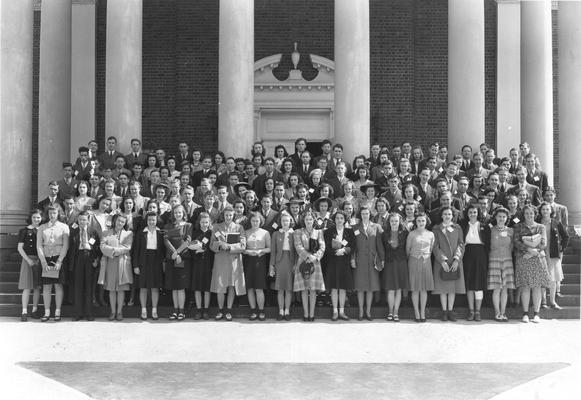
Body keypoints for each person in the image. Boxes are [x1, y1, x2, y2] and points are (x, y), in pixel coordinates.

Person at [513, 204, 551, 323]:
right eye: (527, 213)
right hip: (524, 258)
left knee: (537, 287)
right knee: (525, 286)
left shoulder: (541, 227)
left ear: (535, 214)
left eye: (531, 213)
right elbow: (516, 242)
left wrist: (534, 252)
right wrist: (528, 250)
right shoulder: (518, 226)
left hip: (538, 259)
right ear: (523, 215)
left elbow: (544, 242)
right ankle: (525, 313)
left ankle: (536, 313)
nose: (529, 215)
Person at [210, 206, 247, 321]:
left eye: (230, 215)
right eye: (226, 215)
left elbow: (243, 245)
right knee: (220, 285)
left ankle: (229, 310)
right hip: (221, 259)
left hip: (233, 260)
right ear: (223, 215)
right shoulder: (216, 227)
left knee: (231, 285)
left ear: (233, 215)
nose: (228, 217)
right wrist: (220, 245)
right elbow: (211, 244)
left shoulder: (239, 227)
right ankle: (220, 310)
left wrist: (229, 247)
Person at [36, 206, 70, 322]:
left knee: (58, 285)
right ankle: (47, 312)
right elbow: (39, 245)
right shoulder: (42, 228)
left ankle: (57, 312)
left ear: (58, 213)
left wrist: (60, 261)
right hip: (46, 259)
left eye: (54, 213)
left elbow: (65, 245)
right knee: (46, 286)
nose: (52, 215)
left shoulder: (64, 227)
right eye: (50, 213)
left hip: (58, 258)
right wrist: (43, 261)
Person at [432, 207, 465, 322]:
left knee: (452, 288)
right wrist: (442, 260)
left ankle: (450, 311)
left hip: (454, 261)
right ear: (441, 215)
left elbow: (461, 244)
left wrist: (457, 259)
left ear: (452, 216)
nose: (447, 216)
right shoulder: (436, 229)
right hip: (441, 262)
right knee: (443, 288)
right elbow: (435, 246)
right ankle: (444, 311)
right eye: (445, 214)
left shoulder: (457, 228)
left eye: (449, 214)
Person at [459, 203, 490, 321]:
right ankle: (471, 311)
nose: (473, 214)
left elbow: (488, 242)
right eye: (470, 212)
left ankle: (478, 311)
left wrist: (483, 244)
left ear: (478, 213)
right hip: (467, 254)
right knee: (469, 284)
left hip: (480, 255)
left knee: (479, 284)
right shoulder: (463, 225)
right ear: (467, 214)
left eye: (475, 212)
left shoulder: (484, 226)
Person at [293, 211, 326, 321]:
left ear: (314, 221)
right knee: (304, 289)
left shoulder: (319, 232)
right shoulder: (298, 232)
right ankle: (305, 314)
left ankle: (312, 314)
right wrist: (307, 256)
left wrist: (315, 257)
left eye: (310, 219)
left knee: (312, 290)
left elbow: (322, 247)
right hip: (302, 262)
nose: (308, 221)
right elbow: (298, 246)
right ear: (304, 221)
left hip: (315, 262)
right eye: (306, 219)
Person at [133, 212, 166, 320]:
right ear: (146, 221)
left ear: (157, 221)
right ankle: (143, 310)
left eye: (153, 220)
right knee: (143, 287)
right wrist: (136, 265)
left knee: (155, 287)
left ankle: (154, 310)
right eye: (149, 220)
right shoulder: (141, 233)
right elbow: (136, 250)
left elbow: (164, 250)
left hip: (156, 261)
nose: (151, 222)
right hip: (143, 261)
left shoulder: (160, 233)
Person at [99, 214, 133, 321]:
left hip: (123, 262)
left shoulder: (129, 233)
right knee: (111, 289)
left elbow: (127, 247)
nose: (120, 223)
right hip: (110, 262)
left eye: (123, 222)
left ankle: (119, 312)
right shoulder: (106, 233)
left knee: (121, 289)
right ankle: (113, 312)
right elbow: (102, 247)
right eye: (118, 221)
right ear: (114, 221)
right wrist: (114, 251)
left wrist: (113, 250)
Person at [324, 211, 356, 321]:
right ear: (334, 219)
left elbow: (353, 246)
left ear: (345, 219)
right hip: (333, 262)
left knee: (342, 287)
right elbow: (326, 246)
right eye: (337, 218)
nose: (339, 220)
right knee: (334, 287)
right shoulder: (329, 231)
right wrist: (334, 252)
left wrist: (345, 250)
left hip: (344, 262)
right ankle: (335, 312)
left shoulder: (350, 231)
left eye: (341, 218)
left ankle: (342, 312)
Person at [351, 207, 382, 321]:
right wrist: (352, 259)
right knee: (360, 287)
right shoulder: (355, 228)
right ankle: (360, 311)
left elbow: (379, 245)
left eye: (367, 213)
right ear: (360, 215)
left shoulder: (376, 227)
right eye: (363, 213)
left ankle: (368, 312)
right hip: (359, 261)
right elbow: (352, 245)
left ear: (370, 214)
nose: (365, 215)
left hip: (372, 261)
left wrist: (381, 259)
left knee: (370, 287)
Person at [163, 205, 193, 321]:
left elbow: (188, 240)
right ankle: (175, 310)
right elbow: (166, 240)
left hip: (182, 258)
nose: (178, 215)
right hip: (172, 258)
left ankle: (181, 311)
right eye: (175, 213)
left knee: (180, 286)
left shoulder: (188, 225)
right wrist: (174, 253)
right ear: (173, 214)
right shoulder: (168, 226)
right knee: (173, 286)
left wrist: (178, 253)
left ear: (183, 213)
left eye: (180, 212)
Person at [538, 202, 569, 310]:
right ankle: (543, 301)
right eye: (543, 209)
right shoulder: (537, 222)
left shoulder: (556, 222)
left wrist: (562, 248)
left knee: (553, 278)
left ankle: (552, 301)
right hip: (540, 253)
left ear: (551, 211)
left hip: (553, 254)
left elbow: (566, 236)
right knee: (541, 277)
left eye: (547, 209)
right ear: (540, 211)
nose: (545, 211)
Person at [378, 212, 409, 322]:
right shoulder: (384, 233)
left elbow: (407, 248)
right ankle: (390, 312)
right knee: (390, 289)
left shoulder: (405, 232)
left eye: (396, 221)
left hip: (401, 262)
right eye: (392, 221)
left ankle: (396, 312)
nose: (394, 223)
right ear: (389, 222)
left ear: (399, 221)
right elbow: (381, 248)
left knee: (399, 289)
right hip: (389, 263)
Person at [487, 207, 515, 322]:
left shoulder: (510, 231)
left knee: (505, 289)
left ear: (507, 218)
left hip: (507, 261)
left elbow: (512, 246)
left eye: (504, 217)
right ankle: (497, 313)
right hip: (494, 260)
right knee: (497, 289)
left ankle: (503, 313)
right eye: (499, 216)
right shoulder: (491, 230)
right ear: (495, 217)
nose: (501, 219)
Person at [406, 212, 434, 322]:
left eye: (423, 220)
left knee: (424, 289)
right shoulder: (411, 234)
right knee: (415, 289)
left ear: (426, 221)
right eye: (419, 221)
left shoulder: (431, 234)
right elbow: (407, 250)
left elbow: (431, 249)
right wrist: (413, 257)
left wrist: (425, 256)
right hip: (413, 261)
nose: (421, 223)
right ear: (415, 222)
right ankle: (416, 312)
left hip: (426, 262)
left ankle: (423, 312)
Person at [243, 212, 271, 321]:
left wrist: (260, 250)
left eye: (257, 221)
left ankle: (261, 310)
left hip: (260, 261)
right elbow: (242, 248)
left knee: (259, 287)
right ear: (250, 221)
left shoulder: (265, 233)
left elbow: (270, 248)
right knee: (250, 288)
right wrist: (248, 252)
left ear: (260, 221)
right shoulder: (245, 232)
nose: (255, 223)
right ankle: (253, 311)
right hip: (249, 261)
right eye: (253, 221)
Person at [269, 212, 297, 321]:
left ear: (290, 222)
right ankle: (281, 311)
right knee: (280, 288)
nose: (285, 222)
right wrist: (272, 265)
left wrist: (295, 264)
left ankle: (287, 311)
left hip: (290, 261)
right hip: (279, 262)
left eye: (287, 220)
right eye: (283, 221)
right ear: (280, 222)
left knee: (289, 289)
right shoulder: (276, 234)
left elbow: (296, 251)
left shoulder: (294, 233)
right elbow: (273, 251)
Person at [17, 209, 43, 321]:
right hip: (28, 260)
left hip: (40, 260)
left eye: (38, 217)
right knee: (27, 287)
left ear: (41, 218)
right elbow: (19, 248)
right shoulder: (24, 231)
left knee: (37, 287)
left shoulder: (43, 230)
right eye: (34, 217)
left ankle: (34, 310)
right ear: (30, 218)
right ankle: (24, 312)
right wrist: (28, 260)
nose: (36, 219)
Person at [189, 212, 214, 320]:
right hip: (197, 263)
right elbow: (189, 248)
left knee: (207, 288)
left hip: (208, 264)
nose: (204, 224)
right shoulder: (195, 233)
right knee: (197, 288)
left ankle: (206, 310)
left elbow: (214, 248)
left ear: (209, 223)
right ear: (199, 222)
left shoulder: (212, 233)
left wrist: (205, 250)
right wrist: (196, 251)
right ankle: (199, 310)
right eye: (202, 222)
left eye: (206, 222)